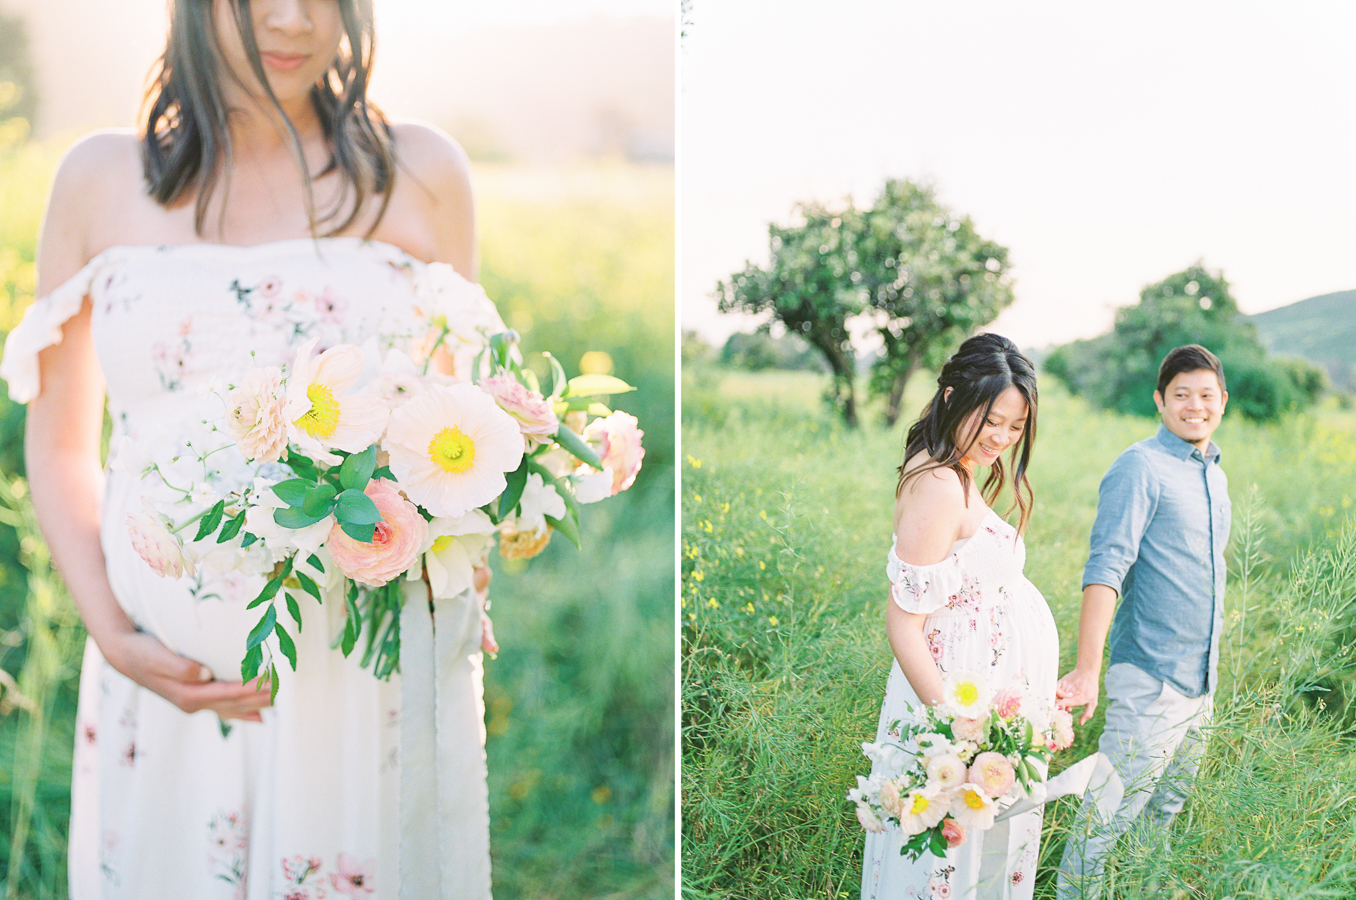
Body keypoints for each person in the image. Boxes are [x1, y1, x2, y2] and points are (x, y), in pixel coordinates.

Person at [0, 1, 498, 897]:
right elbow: (62, 436)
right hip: (163, 685)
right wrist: (113, 634)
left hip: (362, 679)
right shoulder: (98, 180)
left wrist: (469, 548)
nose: (293, 17)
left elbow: (460, 428)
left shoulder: (420, 172)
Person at [861, 333, 1058, 900]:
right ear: (952, 397)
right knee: (945, 869)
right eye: (990, 419)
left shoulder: (959, 467)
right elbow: (904, 623)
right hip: (951, 714)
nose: (1002, 437)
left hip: (979, 705)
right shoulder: (939, 484)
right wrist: (953, 733)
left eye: (1016, 426)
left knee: (973, 863)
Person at [1054, 344, 1231, 899]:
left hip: (1201, 682)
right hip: (1150, 677)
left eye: (1206, 395)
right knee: (1107, 818)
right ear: (1160, 401)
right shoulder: (1140, 466)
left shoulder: (1214, 475)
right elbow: (1106, 567)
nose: (1194, 406)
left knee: (1162, 815)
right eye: (1181, 395)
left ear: (1222, 401)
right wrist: (1086, 669)